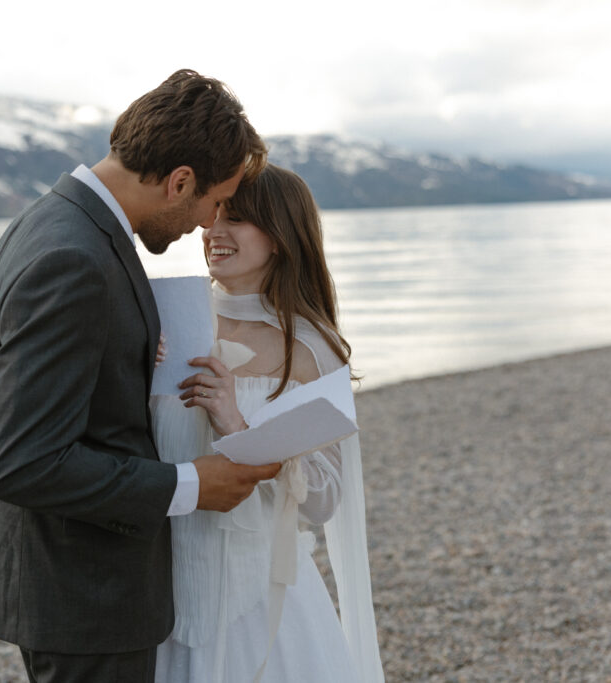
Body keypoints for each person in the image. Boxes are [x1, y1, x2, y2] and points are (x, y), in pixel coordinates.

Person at [0, 70, 280, 683]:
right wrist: (191, 483)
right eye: (213, 201)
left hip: (63, 583)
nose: (207, 223)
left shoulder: (52, 224)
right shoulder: (73, 258)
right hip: (83, 593)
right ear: (180, 181)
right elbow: (23, 462)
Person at [151, 165, 384, 682]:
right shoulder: (162, 321)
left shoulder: (310, 347)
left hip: (262, 606)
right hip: (160, 600)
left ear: (279, 235)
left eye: (236, 219)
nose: (213, 230)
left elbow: (324, 500)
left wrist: (239, 429)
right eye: (213, 213)